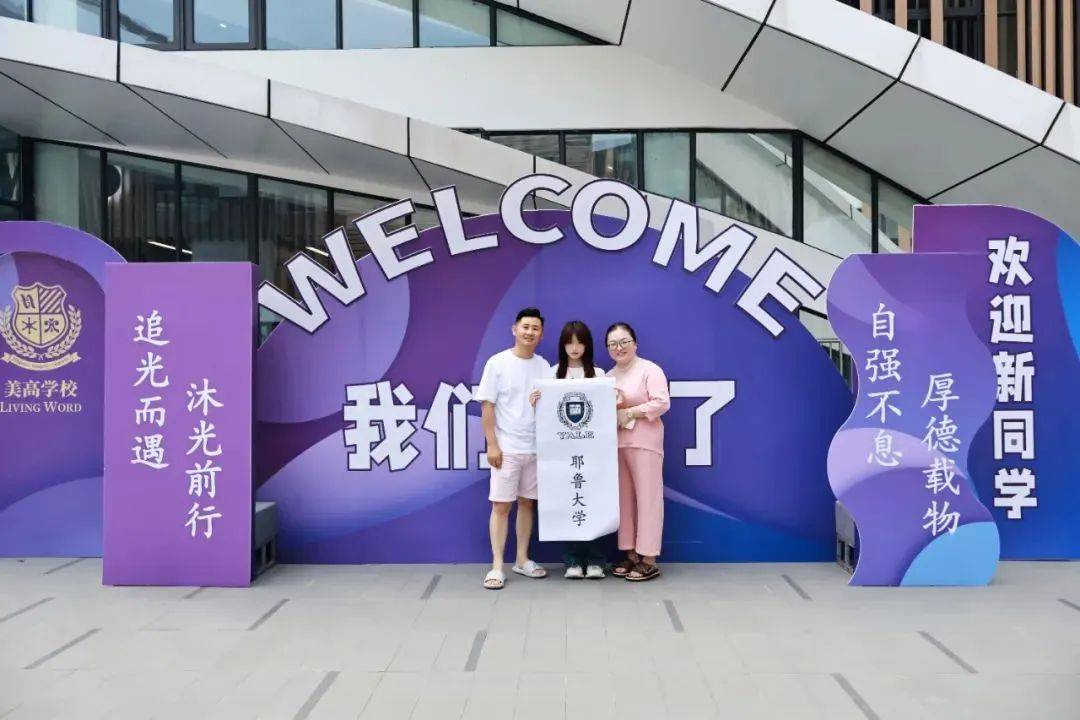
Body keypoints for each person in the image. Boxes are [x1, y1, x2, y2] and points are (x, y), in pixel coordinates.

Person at [474, 307, 552, 590]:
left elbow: (550, 405)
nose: (530, 332)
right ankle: (497, 566)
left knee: (527, 503)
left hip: (535, 448)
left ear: (541, 334)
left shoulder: (544, 367)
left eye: (535, 328)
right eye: (525, 327)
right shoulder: (497, 363)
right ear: (514, 329)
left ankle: (522, 559)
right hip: (506, 448)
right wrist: (492, 444)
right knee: (501, 505)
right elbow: (487, 406)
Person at [529, 320, 608, 580]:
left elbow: (604, 413)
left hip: (593, 453)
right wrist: (535, 402)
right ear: (562, 345)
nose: (574, 348)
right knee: (569, 502)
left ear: (588, 345)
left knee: (593, 502)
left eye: (580, 342)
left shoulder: (599, 374)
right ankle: (572, 561)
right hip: (562, 453)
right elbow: (546, 415)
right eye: (569, 342)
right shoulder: (553, 374)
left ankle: (595, 561)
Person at [607, 322, 670, 582]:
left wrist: (632, 412)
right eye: (612, 344)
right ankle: (630, 553)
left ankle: (648, 558)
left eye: (624, 342)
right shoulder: (608, 376)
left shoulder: (650, 369)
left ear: (635, 344)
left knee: (648, 499)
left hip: (645, 443)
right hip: (617, 444)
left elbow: (662, 402)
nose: (619, 348)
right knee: (624, 501)